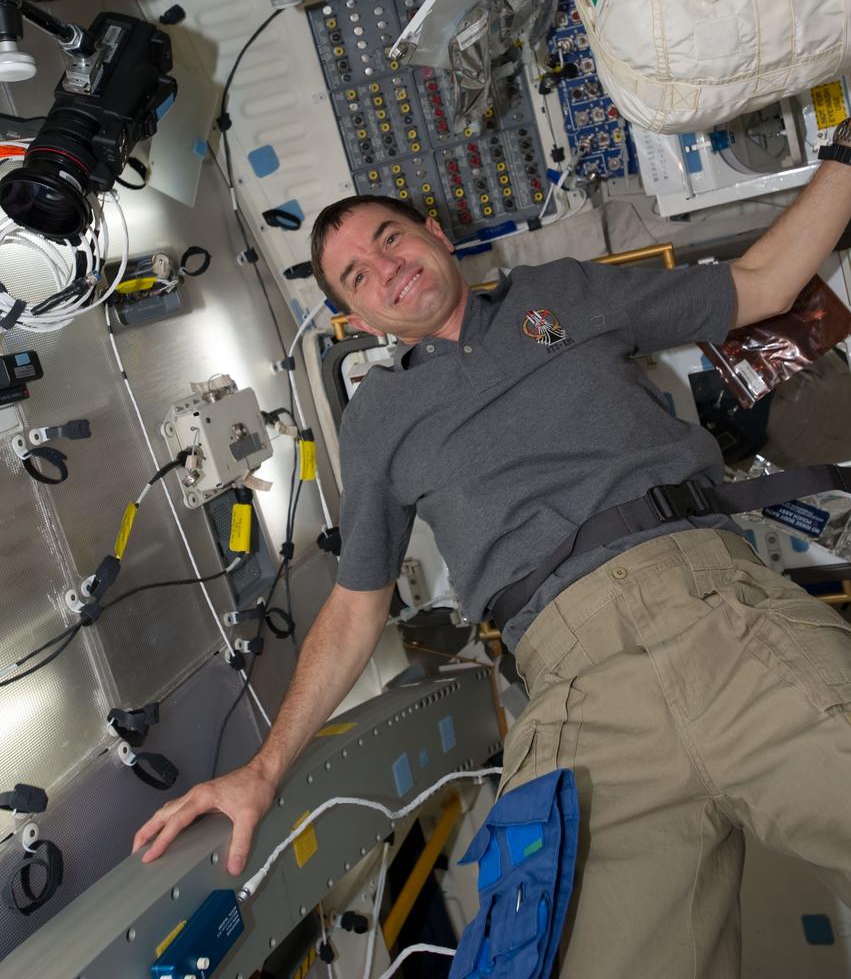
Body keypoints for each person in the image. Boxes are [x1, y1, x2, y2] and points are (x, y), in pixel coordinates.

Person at [133, 128, 851, 978]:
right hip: (576, 710)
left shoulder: (562, 295)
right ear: (357, 320)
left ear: (435, 233)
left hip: (715, 617)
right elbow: (356, 605)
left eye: (388, 237)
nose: (384, 266)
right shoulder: (377, 425)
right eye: (357, 275)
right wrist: (261, 769)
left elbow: (762, 285)